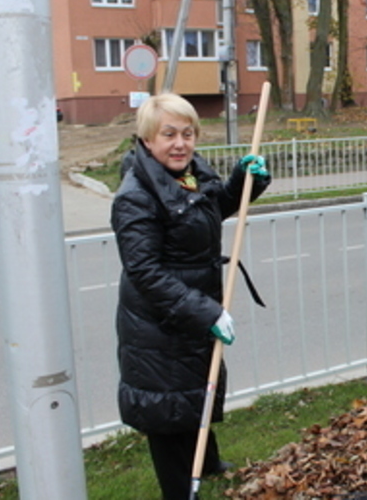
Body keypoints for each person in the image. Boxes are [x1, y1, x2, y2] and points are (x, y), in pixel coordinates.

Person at [111, 93, 271, 499]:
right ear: (147, 140)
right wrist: (205, 312)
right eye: (168, 134)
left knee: (195, 391)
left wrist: (244, 181)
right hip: (159, 322)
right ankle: (180, 491)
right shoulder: (136, 196)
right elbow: (144, 271)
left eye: (187, 133)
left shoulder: (191, 175)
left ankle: (207, 463)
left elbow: (213, 210)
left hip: (191, 313)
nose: (180, 143)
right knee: (167, 408)